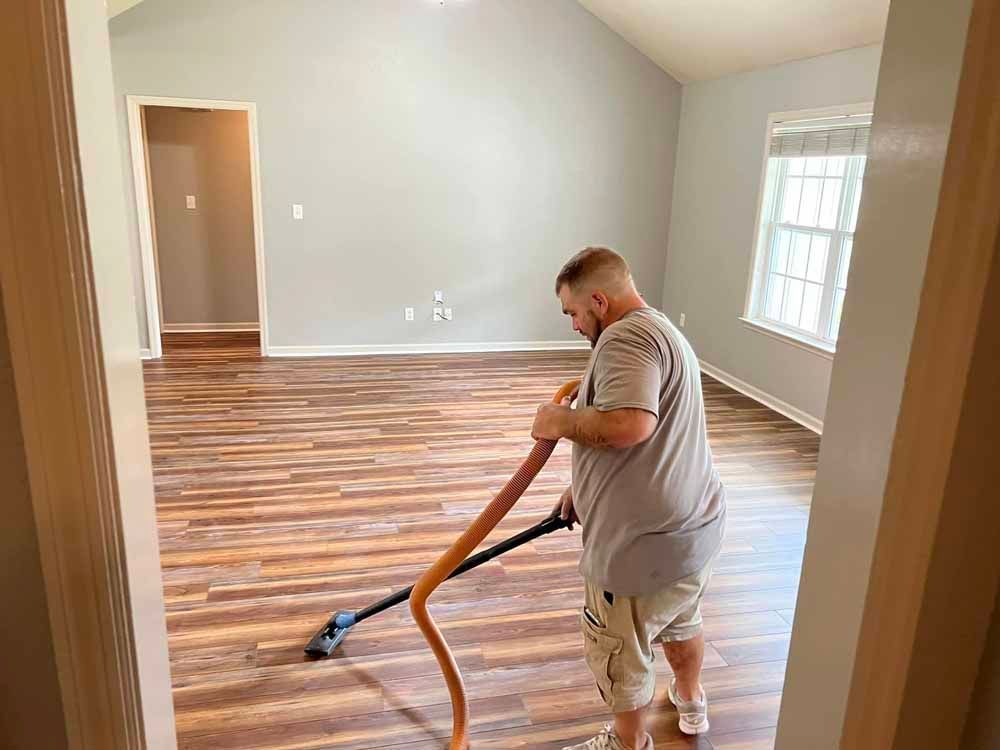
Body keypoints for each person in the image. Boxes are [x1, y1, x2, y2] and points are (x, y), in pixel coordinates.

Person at [531, 247, 727, 750]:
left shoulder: (623, 340)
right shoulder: (661, 330)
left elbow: (630, 424)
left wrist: (559, 421)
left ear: (599, 300)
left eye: (574, 312)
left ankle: (628, 741)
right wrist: (585, 487)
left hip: (639, 549)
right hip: (692, 530)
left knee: (618, 650)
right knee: (680, 622)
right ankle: (691, 698)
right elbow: (652, 435)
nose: (574, 325)